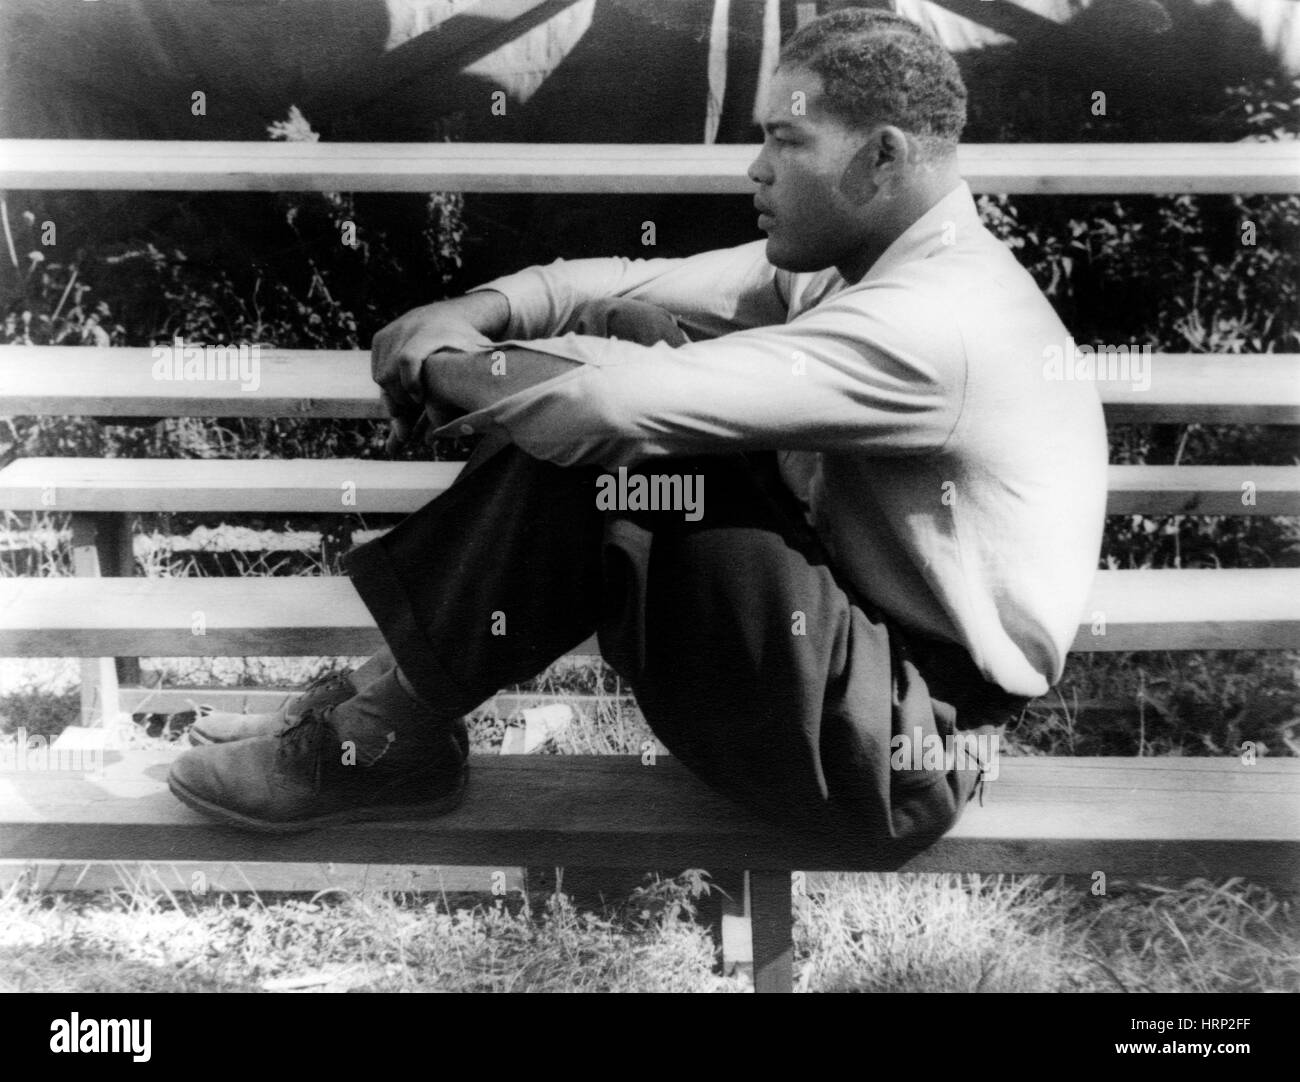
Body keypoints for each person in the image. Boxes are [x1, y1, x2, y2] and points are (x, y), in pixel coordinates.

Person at [168, 9, 1107, 857]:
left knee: (624, 445)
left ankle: (384, 733)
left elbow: (609, 412)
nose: (757, 169)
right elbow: (626, 285)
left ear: (883, 159)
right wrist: (479, 307)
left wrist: (446, 366)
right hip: (850, 684)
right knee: (629, 365)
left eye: (786, 140)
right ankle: (389, 709)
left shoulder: (936, 320)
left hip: (903, 751)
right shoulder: (857, 267)